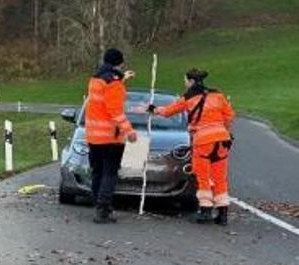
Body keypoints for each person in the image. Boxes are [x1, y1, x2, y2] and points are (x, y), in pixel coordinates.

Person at [149, 69, 235, 225]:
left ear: (191, 81)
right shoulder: (218, 95)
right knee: (220, 177)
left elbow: (169, 111)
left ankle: (205, 210)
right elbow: (229, 115)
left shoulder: (189, 98)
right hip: (222, 140)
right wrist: (225, 131)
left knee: (203, 176)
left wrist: (154, 110)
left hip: (203, 140)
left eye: (185, 81)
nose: (185, 83)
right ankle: (223, 213)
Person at [86, 48, 138, 224]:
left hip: (94, 136)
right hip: (110, 136)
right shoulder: (114, 82)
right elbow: (114, 110)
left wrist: (123, 79)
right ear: (119, 63)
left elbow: (102, 100)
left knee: (97, 172)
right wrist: (129, 130)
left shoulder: (95, 79)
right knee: (110, 173)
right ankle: (103, 209)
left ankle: (99, 205)